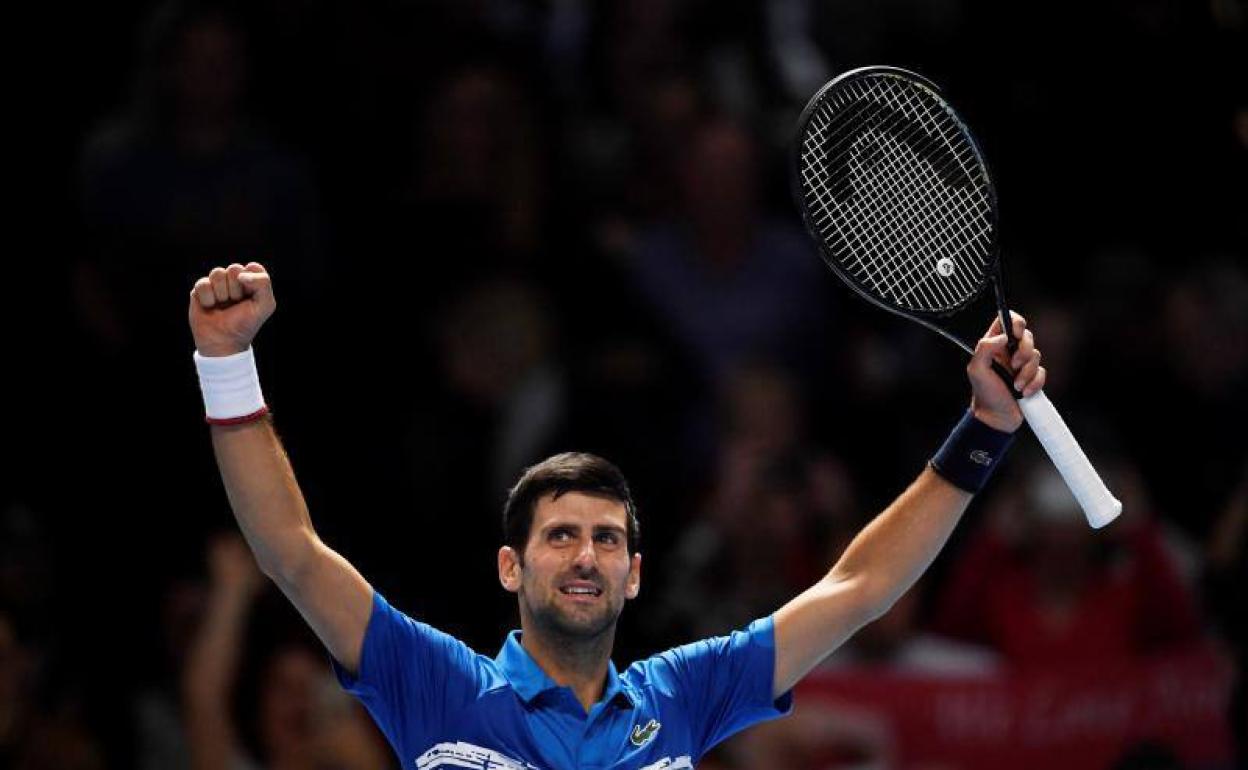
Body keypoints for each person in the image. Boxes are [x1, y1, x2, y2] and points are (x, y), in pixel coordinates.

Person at [186, 262, 1046, 769]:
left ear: (637, 575)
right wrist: (227, 365)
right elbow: (291, 554)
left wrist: (985, 430)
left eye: (607, 539)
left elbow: (859, 586)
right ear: (511, 568)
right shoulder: (438, 684)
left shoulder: (684, 693)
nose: (587, 555)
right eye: (560, 536)